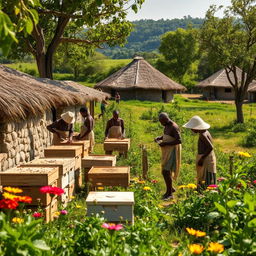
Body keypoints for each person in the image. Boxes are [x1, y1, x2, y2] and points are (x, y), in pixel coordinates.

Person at [183, 116, 216, 188]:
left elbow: (210, 147)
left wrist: (202, 159)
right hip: (208, 156)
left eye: (192, 128)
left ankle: (204, 192)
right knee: (207, 176)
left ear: (197, 127)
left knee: (205, 177)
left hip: (206, 158)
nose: (191, 129)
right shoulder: (206, 132)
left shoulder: (202, 135)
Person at [155, 112, 182, 200]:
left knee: (166, 171)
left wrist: (165, 143)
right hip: (167, 151)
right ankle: (170, 189)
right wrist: (160, 138)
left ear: (166, 119)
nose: (161, 123)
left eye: (161, 121)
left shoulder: (174, 127)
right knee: (165, 171)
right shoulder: (166, 125)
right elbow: (167, 135)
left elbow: (179, 140)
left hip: (172, 151)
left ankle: (170, 194)